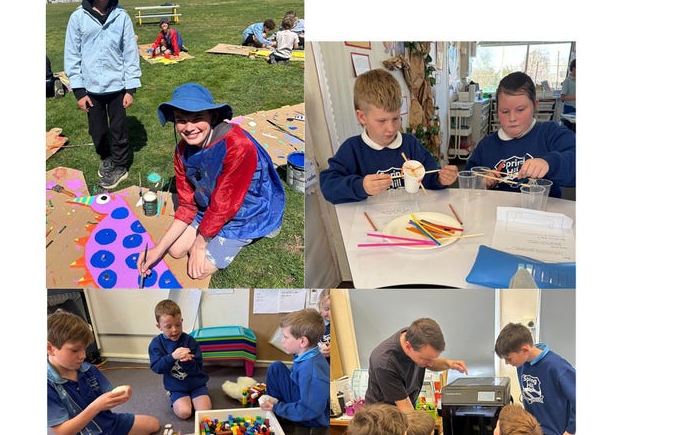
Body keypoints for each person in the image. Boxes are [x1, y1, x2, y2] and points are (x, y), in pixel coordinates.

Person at [138, 83, 285, 281]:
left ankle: (249, 233)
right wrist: (157, 249)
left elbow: (226, 203)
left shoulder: (237, 146)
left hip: (244, 210)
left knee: (198, 271)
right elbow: (188, 203)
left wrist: (200, 243)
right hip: (209, 205)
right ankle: (210, 233)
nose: (189, 128)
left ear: (213, 117)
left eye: (197, 119)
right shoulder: (182, 151)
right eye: (181, 120)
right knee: (175, 250)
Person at [47, 309, 160, 435]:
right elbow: (63, 432)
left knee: (153, 424)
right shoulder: (47, 384)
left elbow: (107, 398)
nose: (83, 355)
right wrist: (97, 406)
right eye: (75, 350)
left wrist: (120, 395)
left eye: (84, 348)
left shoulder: (87, 369)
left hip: (108, 424)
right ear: (50, 348)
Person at [319, 69, 458, 203]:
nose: (391, 128)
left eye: (396, 118)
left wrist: (441, 179)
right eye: (381, 121)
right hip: (370, 222)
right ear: (362, 117)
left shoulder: (410, 144)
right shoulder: (352, 149)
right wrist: (361, 186)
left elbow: (430, 176)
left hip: (410, 217)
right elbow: (329, 186)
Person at [64, 0, 141, 190]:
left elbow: (130, 53)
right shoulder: (78, 18)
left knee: (119, 129)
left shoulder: (122, 17)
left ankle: (119, 165)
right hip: (91, 88)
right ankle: (106, 157)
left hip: (117, 86)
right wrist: (78, 90)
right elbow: (72, 55)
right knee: (97, 130)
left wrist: (131, 87)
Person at [468, 71, 575, 197]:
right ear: (497, 110)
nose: (512, 118)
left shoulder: (550, 133)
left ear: (535, 106)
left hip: (542, 212)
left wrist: (549, 163)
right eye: (505, 111)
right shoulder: (486, 145)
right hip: (496, 212)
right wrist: (482, 181)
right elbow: (468, 178)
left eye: (520, 110)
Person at [365, 317, 468, 416]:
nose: (431, 364)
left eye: (432, 358)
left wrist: (449, 364)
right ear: (408, 347)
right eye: (426, 359)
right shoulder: (385, 363)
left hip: (405, 407)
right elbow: (405, 407)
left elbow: (430, 361)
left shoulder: (414, 336)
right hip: (382, 420)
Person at [259, 309, 331, 432]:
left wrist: (278, 408)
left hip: (311, 414)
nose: (282, 340)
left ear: (303, 341)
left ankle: (281, 412)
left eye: (286, 337)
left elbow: (309, 409)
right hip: (304, 397)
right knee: (276, 367)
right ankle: (278, 408)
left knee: (278, 371)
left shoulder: (311, 372)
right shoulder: (305, 354)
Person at [149, 299, 212, 421]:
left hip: (197, 384)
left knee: (204, 413)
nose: (174, 330)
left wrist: (188, 361)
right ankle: (175, 396)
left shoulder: (190, 341)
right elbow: (157, 367)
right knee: (184, 413)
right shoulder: (156, 344)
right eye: (168, 326)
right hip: (176, 387)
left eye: (178, 325)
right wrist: (172, 357)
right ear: (159, 326)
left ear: (182, 321)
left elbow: (199, 368)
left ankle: (197, 396)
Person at [560, 57, 576, 132]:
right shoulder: (567, 81)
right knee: (568, 130)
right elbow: (562, 97)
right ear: (573, 68)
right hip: (569, 108)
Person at [317, 289, 331, 362]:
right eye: (326, 309)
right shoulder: (314, 326)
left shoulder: (342, 326)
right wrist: (318, 352)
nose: (331, 313)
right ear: (320, 307)